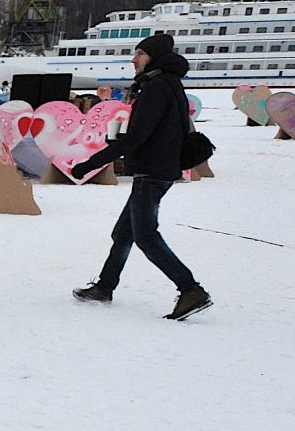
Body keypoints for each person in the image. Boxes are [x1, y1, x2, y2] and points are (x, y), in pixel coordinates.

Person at [69, 32, 212, 320]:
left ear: (154, 57)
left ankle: (190, 289)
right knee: (123, 233)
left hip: (154, 170)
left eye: (140, 54)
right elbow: (151, 132)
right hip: (157, 167)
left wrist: (90, 164)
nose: (134, 60)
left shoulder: (158, 86)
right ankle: (105, 287)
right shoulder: (165, 84)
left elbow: (137, 136)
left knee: (145, 236)